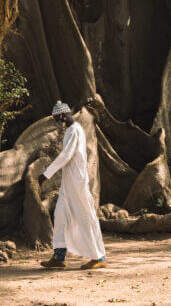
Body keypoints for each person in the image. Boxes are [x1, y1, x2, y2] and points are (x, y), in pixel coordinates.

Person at [37, 101, 107, 270]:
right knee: (60, 217)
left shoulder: (74, 130)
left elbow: (66, 155)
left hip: (77, 182)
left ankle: (99, 257)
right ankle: (59, 256)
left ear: (62, 115)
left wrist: (46, 174)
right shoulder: (71, 130)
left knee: (84, 218)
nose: (56, 122)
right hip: (68, 184)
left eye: (56, 118)